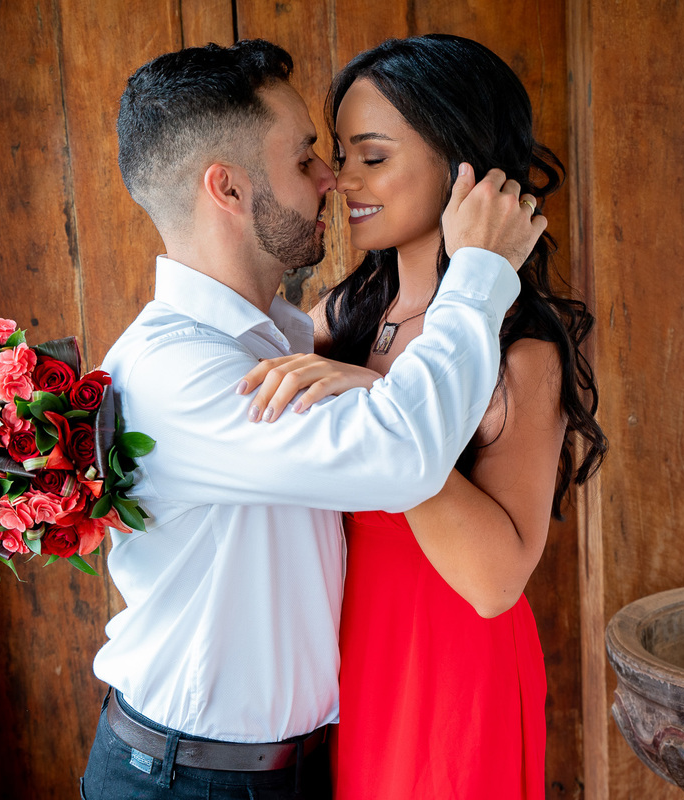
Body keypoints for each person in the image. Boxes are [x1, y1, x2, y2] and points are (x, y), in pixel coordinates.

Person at [82, 39, 547, 800]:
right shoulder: (183, 373)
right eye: (309, 160)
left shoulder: (294, 334)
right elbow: (396, 454)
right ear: (227, 191)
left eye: (363, 155)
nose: (332, 179)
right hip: (189, 778)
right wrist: (481, 274)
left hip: (333, 743)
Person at [238, 35, 608, 799]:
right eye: (340, 155)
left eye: (372, 157)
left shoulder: (520, 352)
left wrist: (372, 404)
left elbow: (493, 581)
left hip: (452, 674)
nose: (343, 181)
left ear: (463, 166)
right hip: (341, 657)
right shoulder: (344, 315)